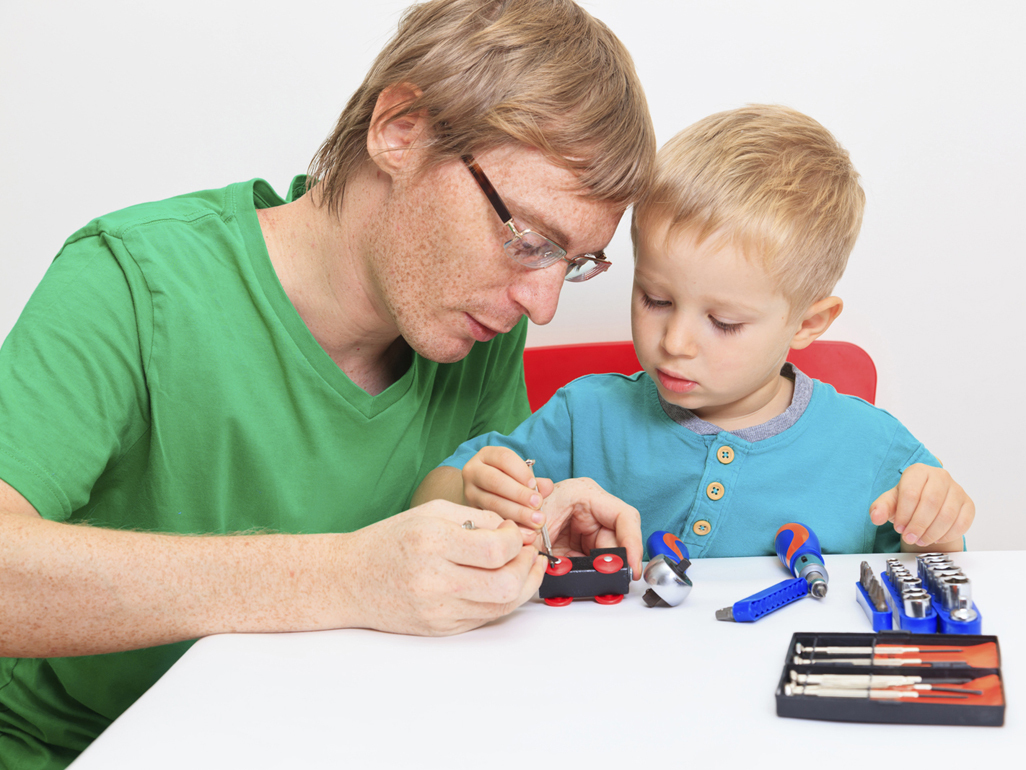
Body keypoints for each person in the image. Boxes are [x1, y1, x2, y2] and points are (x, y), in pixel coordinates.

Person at [0, 1, 654, 765]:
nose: (541, 308)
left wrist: (526, 530)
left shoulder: (476, 328)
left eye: (572, 264)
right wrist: (345, 576)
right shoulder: (132, 279)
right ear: (400, 130)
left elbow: (450, 570)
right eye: (528, 240)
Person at [415, 104, 974, 560]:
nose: (675, 342)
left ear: (808, 323)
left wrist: (938, 530)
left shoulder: (874, 450)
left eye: (724, 322)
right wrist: (474, 489)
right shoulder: (584, 417)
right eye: (655, 299)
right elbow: (427, 503)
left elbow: (939, 584)